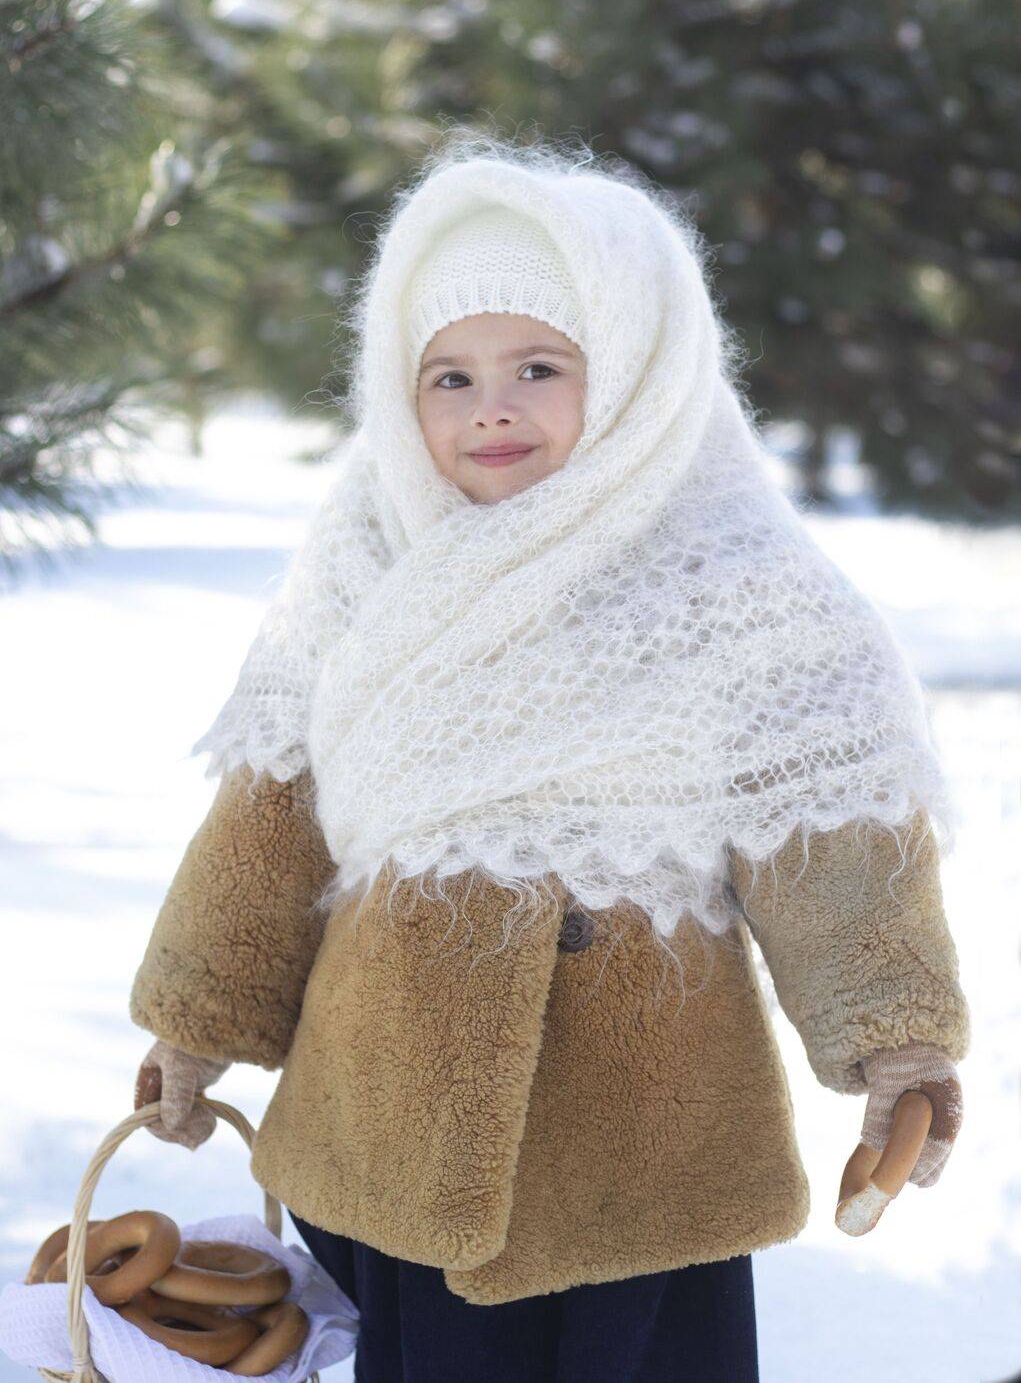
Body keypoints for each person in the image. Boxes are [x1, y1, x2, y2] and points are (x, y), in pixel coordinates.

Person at [130, 129, 969, 1383]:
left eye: (538, 366)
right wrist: (198, 1020)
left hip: (639, 1134)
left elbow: (829, 837)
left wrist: (895, 1037)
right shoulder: (367, 553)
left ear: (632, 374)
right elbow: (271, 818)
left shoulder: (736, 581)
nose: (491, 407)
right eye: (449, 377)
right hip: (392, 1102)